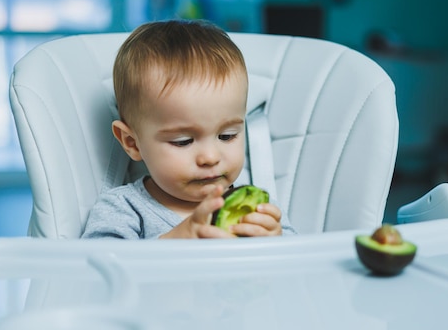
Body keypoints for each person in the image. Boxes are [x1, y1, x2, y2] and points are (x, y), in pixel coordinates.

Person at [82, 19, 296, 239]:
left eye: (227, 136)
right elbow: (97, 267)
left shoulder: (260, 210)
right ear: (132, 143)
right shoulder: (123, 209)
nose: (210, 158)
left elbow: (303, 266)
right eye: (183, 141)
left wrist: (274, 244)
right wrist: (174, 242)